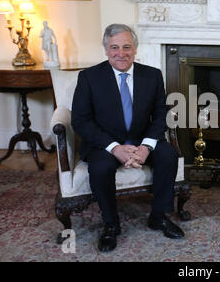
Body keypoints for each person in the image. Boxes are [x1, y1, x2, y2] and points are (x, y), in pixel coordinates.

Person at [71, 24, 184, 252]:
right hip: (105, 143)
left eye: (126, 47)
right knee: (100, 168)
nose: (121, 53)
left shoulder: (152, 75)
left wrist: (146, 146)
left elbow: (161, 114)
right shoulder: (89, 77)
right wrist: (114, 148)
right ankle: (111, 225)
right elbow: (81, 121)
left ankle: (159, 216)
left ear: (135, 49)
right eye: (114, 47)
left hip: (141, 138)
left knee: (168, 155)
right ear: (105, 49)